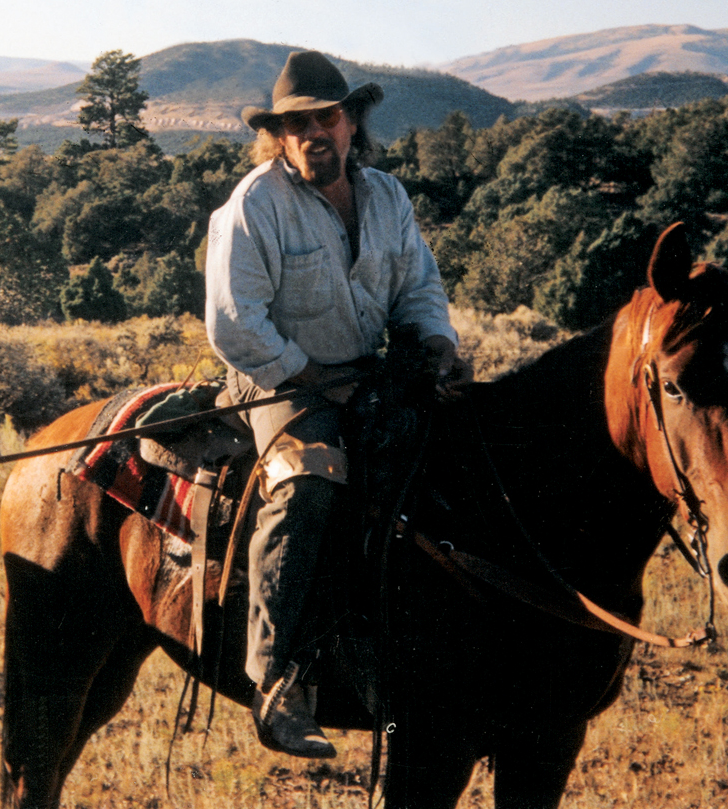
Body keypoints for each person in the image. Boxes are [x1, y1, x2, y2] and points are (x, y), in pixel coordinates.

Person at [205, 50, 470, 758]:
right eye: (297, 124)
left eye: (327, 116)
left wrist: (435, 342)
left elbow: (418, 285)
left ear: (352, 121)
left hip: (367, 372)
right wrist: (308, 372)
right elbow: (234, 323)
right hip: (277, 380)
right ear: (278, 134)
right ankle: (277, 675)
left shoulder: (387, 197)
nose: (313, 133)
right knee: (311, 481)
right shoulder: (254, 205)